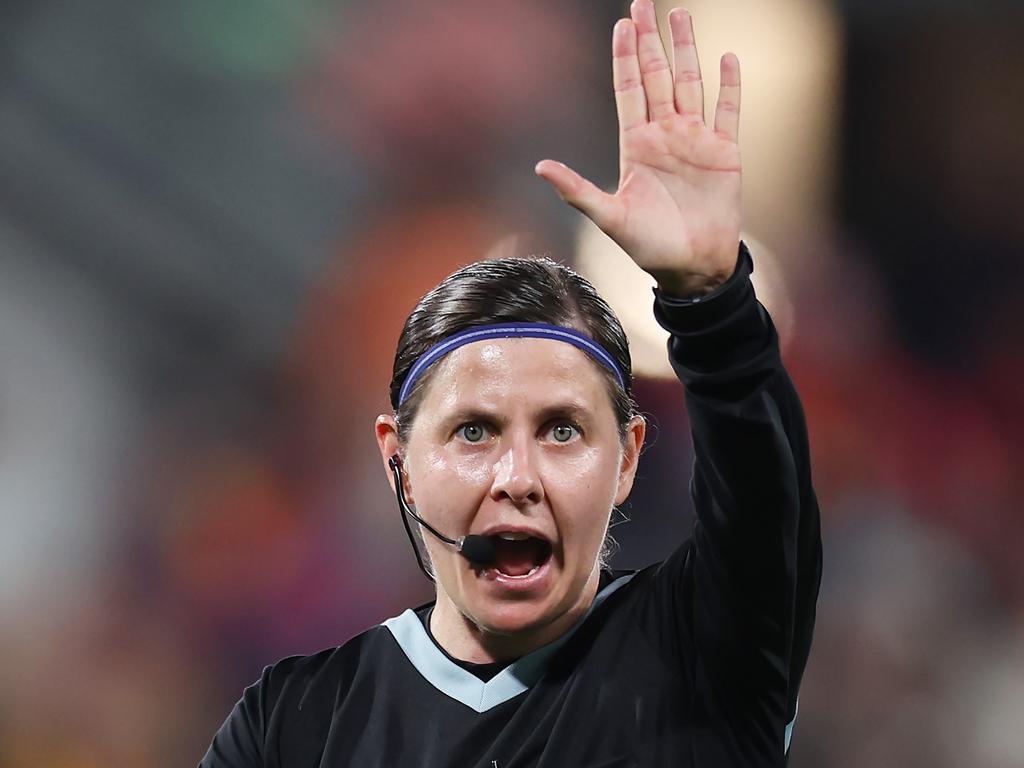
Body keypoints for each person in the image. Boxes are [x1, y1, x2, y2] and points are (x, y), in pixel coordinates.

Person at [200, 1, 821, 765]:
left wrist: (709, 298)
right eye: (474, 431)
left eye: (562, 429)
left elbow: (767, 527)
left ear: (627, 454)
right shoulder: (294, 715)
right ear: (398, 455)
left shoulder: (699, 672)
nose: (515, 476)